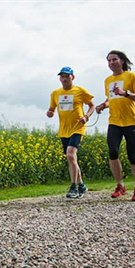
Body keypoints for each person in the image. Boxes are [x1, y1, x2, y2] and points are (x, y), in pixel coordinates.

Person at [95, 50, 135, 201]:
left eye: (114, 59)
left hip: (130, 121)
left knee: (132, 156)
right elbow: (111, 98)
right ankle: (120, 186)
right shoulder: (108, 81)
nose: (111, 63)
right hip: (114, 122)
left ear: (122, 61)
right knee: (112, 151)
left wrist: (126, 94)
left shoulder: (131, 76)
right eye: (109, 60)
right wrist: (103, 105)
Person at [47, 66, 95, 198]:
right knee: (72, 158)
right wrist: (50, 113)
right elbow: (51, 109)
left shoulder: (80, 91)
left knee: (70, 154)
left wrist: (86, 117)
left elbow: (91, 105)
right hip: (64, 130)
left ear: (72, 77)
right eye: (62, 76)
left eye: (67, 76)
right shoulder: (55, 93)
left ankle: (73, 187)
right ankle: (81, 185)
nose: (64, 79)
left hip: (77, 128)